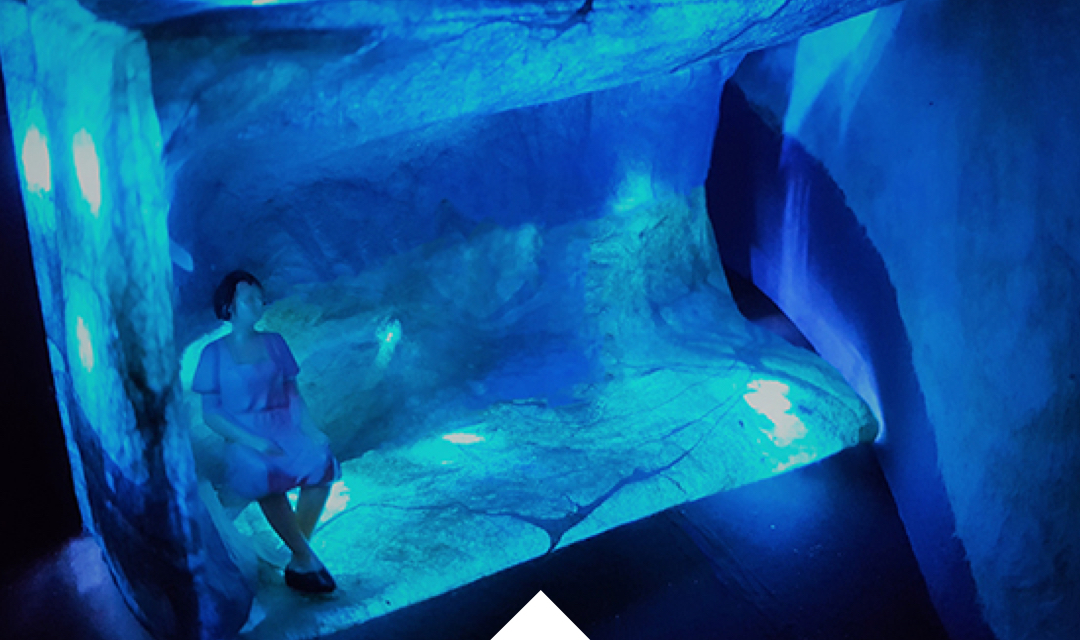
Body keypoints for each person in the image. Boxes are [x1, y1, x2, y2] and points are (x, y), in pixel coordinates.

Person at [192, 270, 340, 594]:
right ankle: (305, 558)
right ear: (229, 306)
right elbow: (211, 414)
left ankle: (297, 551)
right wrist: (254, 441)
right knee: (264, 472)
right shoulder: (213, 354)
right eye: (249, 299)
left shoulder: (275, 342)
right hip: (243, 435)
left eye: (260, 298)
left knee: (322, 463)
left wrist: (311, 429)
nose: (258, 304)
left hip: (284, 427)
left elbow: (293, 395)